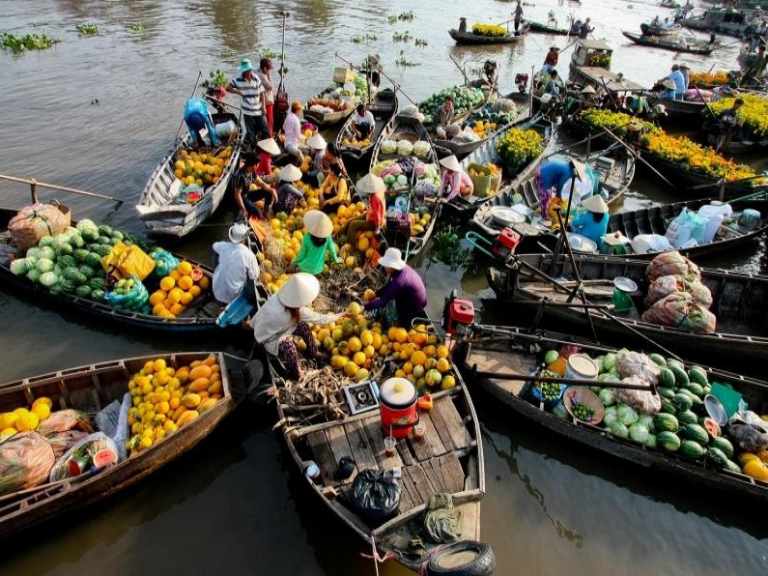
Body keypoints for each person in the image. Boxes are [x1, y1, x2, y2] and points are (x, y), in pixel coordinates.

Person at [250, 273, 346, 380]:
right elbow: (321, 319)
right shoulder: (299, 312)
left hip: (265, 327)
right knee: (290, 348)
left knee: (303, 326)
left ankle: (313, 351)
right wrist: (341, 315)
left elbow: (263, 312)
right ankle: (295, 373)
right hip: (268, 339)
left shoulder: (278, 296)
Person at [363, 248, 428, 328]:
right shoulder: (401, 270)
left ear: (393, 266)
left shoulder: (399, 282)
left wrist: (364, 307)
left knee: (387, 309)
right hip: (413, 299)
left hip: (414, 307)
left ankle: (400, 324)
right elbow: (389, 285)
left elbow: (382, 301)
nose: (384, 267)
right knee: (386, 297)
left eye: (387, 265)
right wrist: (376, 294)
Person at [212, 224, 259, 304]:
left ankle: (217, 271)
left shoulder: (223, 246)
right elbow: (255, 275)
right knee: (252, 275)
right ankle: (249, 298)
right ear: (244, 238)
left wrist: (217, 264)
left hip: (216, 291)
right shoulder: (249, 255)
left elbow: (214, 246)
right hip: (233, 296)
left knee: (216, 254)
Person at [227, 59, 269, 148]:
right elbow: (228, 88)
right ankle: (254, 149)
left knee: (265, 129)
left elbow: (262, 93)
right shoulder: (237, 80)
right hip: (247, 112)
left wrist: (264, 107)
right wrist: (238, 92)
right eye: (247, 70)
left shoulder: (256, 78)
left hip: (258, 109)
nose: (249, 72)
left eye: (250, 70)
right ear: (244, 70)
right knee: (250, 133)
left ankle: (267, 147)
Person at [290, 210, 342, 275]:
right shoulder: (327, 237)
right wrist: (336, 260)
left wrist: (293, 263)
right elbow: (332, 251)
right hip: (318, 269)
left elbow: (301, 255)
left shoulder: (307, 236)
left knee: (298, 267)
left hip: (304, 268)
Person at [231, 153, 277, 220]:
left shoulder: (252, 172)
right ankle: (260, 218)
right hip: (241, 198)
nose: (257, 166)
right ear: (253, 165)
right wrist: (243, 209)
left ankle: (266, 213)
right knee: (257, 212)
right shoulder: (240, 176)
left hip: (248, 194)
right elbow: (237, 195)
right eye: (256, 164)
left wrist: (272, 190)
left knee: (268, 192)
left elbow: (262, 184)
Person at [345, 173, 386, 245]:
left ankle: (350, 246)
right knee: (350, 221)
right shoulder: (374, 194)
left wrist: (377, 228)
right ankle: (339, 235)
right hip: (370, 215)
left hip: (373, 223)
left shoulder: (375, 198)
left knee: (353, 225)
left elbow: (378, 215)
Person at [256, 58, 275, 135]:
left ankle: (264, 134)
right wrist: (269, 75)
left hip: (260, 101)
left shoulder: (257, 72)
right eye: (269, 69)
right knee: (270, 121)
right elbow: (270, 87)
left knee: (263, 120)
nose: (270, 70)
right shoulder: (262, 77)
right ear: (264, 68)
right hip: (267, 101)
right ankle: (269, 136)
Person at [282, 100, 305, 165]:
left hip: (287, 142)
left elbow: (283, 127)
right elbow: (299, 136)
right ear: (297, 110)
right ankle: (304, 167)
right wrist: (305, 137)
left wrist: (290, 132)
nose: (301, 112)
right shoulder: (296, 121)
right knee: (299, 153)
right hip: (290, 145)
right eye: (300, 110)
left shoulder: (288, 116)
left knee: (305, 147)